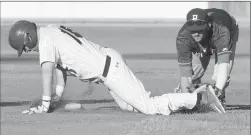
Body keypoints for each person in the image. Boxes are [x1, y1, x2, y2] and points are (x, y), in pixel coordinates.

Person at [8, 20, 225, 115]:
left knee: (149, 107)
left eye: (23, 47)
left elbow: (47, 71)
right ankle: (186, 98)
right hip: (109, 65)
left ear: (27, 36)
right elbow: (58, 68)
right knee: (130, 107)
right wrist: (56, 96)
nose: (25, 50)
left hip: (110, 70)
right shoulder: (49, 32)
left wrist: (45, 105)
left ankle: (201, 97)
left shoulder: (45, 40)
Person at [175, 8, 239, 108]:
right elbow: (185, 73)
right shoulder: (183, 38)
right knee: (194, 75)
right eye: (193, 31)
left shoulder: (221, 31)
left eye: (200, 30)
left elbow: (224, 64)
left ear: (208, 25)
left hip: (228, 28)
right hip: (206, 38)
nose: (196, 33)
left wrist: (218, 90)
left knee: (218, 77)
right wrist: (185, 99)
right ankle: (184, 94)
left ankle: (220, 97)